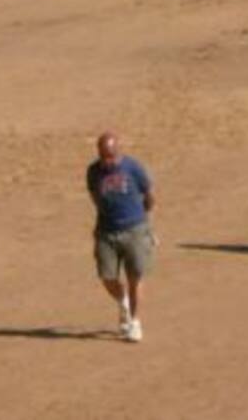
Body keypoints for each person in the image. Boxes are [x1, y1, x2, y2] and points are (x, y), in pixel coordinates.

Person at [86, 132, 155, 343]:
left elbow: (150, 195)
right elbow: (95, 197)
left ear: (118, 152)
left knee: (135, 277)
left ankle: (134, 322)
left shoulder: (133, 167)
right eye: (102, 156)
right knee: (107, 277)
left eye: (110, 156)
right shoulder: (93, 171)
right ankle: (122, 300)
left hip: (135, 230)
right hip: (106, 232)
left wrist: (145, 225)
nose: (106, 161)